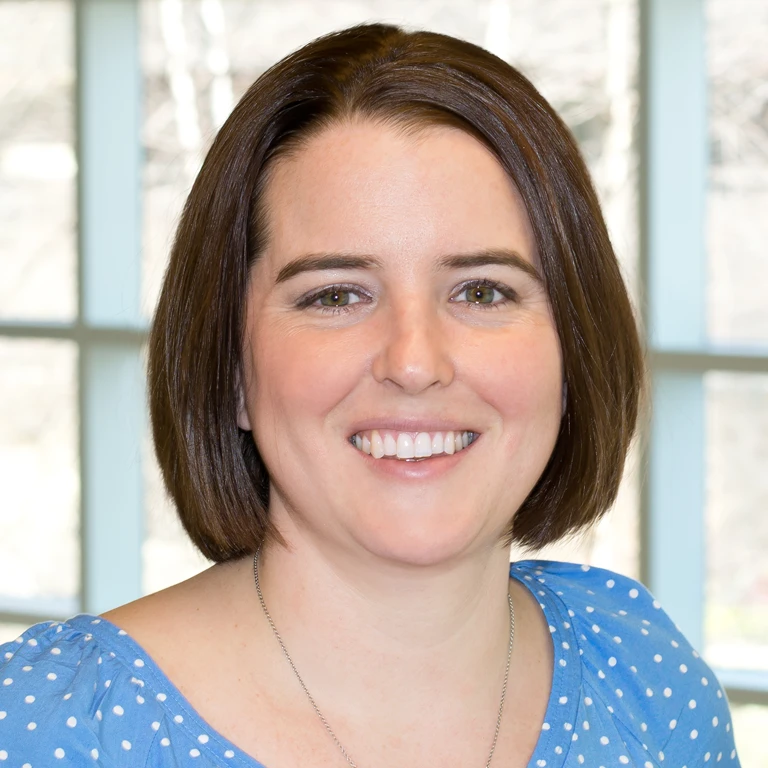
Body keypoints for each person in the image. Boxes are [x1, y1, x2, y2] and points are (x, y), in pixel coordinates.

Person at [0, 22, 740, 767]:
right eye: (335, 296)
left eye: (482, 291)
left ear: (573, 347)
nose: (414, 362)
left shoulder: (643, 684)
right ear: (231, 371)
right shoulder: (56, 734)